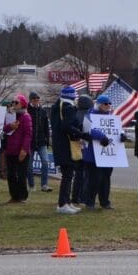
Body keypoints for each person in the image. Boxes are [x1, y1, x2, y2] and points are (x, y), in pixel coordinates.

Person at [80, 94, 125, 210]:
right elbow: (88, 130)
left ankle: (105, 202)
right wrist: (101, 136)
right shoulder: (90, 115)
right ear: (99, 104)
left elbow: (116, 131)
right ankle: (89, 202)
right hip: (92, 155)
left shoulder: (111, 117)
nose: (108, 105)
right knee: (94, 179)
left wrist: (122, 135)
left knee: (106, 179)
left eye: (110, 103)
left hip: (107, 155)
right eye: (106, 103)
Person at [49, 86, 83, 214]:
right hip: (66, 145)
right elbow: (67, 126)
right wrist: (81, 134)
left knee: (68, 174)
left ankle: (66, 202)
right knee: (68, 175)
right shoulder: (68, 108)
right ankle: (63, 203)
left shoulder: (57, 106)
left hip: (59, 144)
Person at [2, 94, 33, 203]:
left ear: (22, 104)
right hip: (11, 150)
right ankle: (14, 196)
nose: (14, 104)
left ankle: (22, 196)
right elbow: (3, 129)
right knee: (11, 175)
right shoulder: (10, 115)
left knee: (21, 175)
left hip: (21, 150)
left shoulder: (26, 116)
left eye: (16, 102)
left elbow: (28, 134)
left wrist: (24, 150)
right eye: (13, 102)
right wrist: (10, 126)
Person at [27, 91, 52, 192]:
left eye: (37, 98)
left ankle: (44, 185)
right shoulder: (27, 111)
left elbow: (46, 127)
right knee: (29, 165)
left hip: (41, 141)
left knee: (45, 162)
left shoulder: (43, 111)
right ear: (30, 100)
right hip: (30, 142)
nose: (36, 100)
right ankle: (31, 185)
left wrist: (46, 139)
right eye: (34, 98)